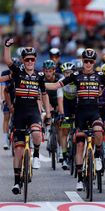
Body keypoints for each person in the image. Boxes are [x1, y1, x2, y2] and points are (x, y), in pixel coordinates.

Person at [45, 48, 105, 191]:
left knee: (98, 132)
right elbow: (55, 85)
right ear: (82, 61)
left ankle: (97, 155)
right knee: (79, 145)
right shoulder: (75, 75)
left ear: (94, 62)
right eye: (86, 61)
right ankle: (79, 179)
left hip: (94, 112)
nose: (88, 64)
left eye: (91, 61)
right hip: (80, 114)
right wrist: (38, 83)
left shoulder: (99, 75)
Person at [2, 38, 52, 194]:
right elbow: (8, 60)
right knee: (18, 150)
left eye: (32, 59)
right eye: (27, 59)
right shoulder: (18, 72)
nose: (30, 61)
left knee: (37, 133)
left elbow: (44, 95)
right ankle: (17, 182)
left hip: (33, 112)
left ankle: (36, 154)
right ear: (23, 60)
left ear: (35, 60)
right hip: (19, 113)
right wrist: (7, 46)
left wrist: (48, 113)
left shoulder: (40, 76)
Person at [43, 60, 65, 162]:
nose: (48, 73)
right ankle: (46, 128)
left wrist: (58, 107)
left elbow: (62, 93)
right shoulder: (41, 78)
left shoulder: (60, 77)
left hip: (58, 100)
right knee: (43, 114)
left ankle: (61, 150)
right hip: (45, 100)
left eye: (50, 71)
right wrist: (46, 106)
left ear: (54, 71)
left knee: (59, 126)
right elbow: (39, 94)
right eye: (46, 71)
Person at [59, 62, 77, 170]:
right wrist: (63, 115)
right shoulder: (61, 82)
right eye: (66, 72)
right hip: (65, 104)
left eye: (70, 72)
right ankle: (64, 155)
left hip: (76, 103)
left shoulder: (77, 81)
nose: (68, 74)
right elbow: (60, 100)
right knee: (64, 130)